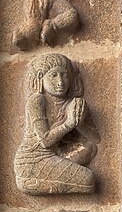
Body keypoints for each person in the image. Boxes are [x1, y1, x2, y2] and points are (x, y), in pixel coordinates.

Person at [14, 53, 100, 195]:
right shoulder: (37, 101)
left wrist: (79, 123)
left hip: (54, 155)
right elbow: (46, 141)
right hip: (32, 160)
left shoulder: (72, 104)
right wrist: (69, 123)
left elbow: (95, 139)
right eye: (53, 75)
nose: (61, 82)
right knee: (88, 180)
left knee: (90, 148)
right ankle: (29, 180)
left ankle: (43, 180)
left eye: (65, 75)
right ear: (41, 78)